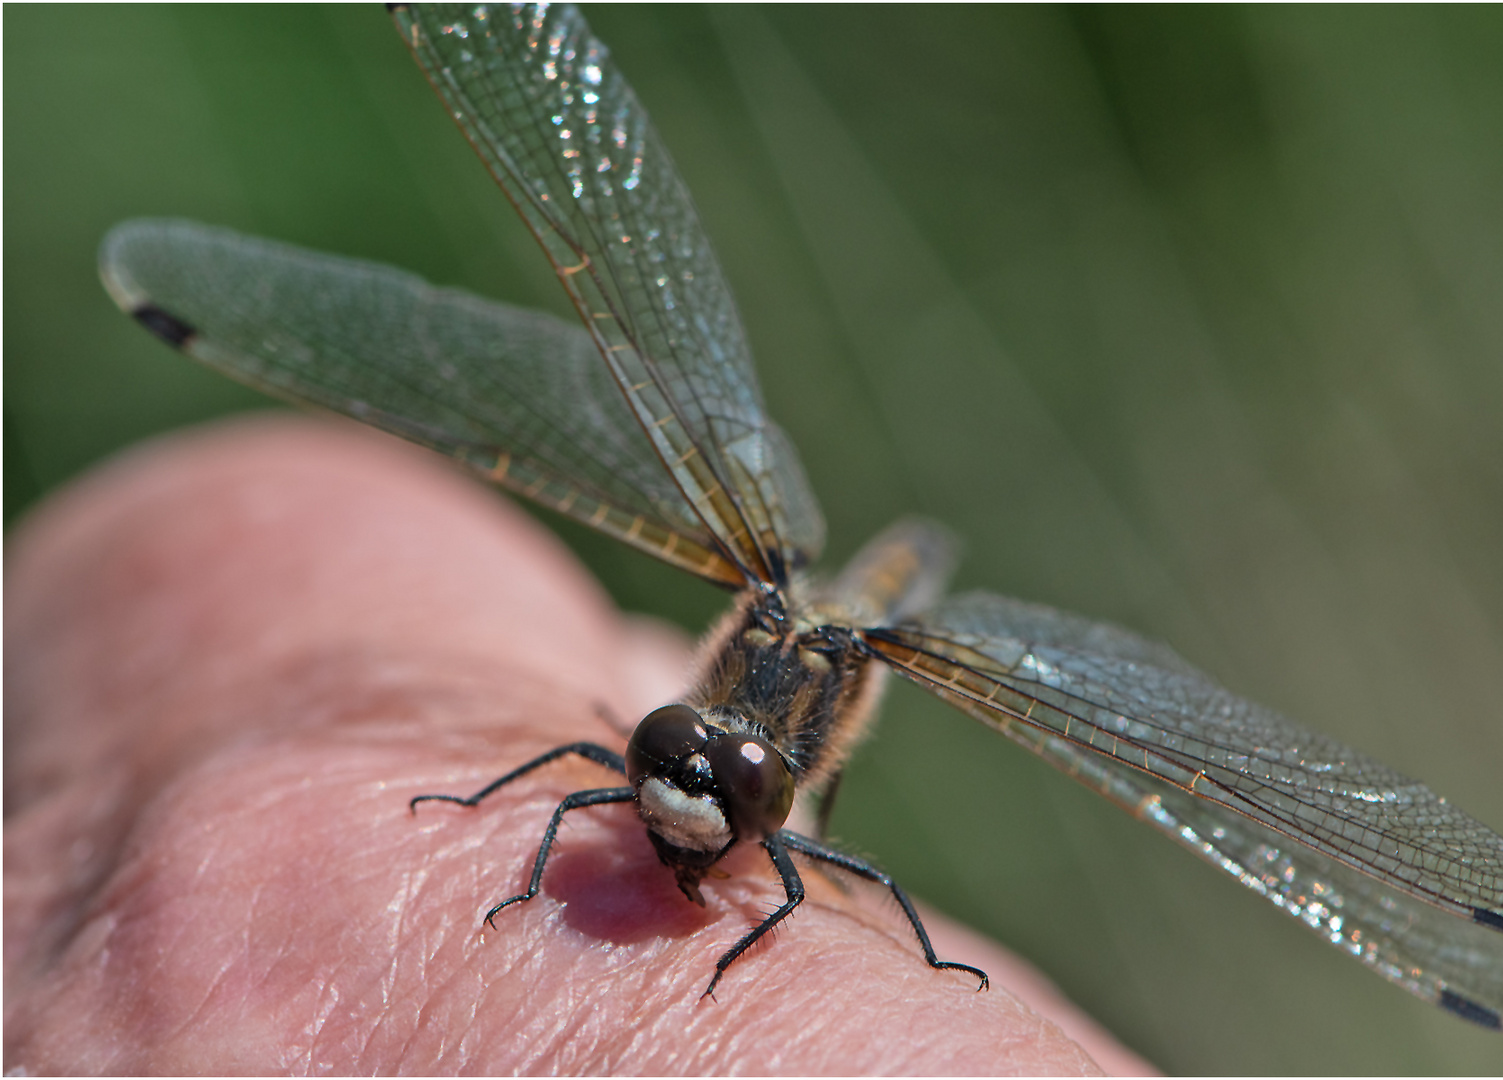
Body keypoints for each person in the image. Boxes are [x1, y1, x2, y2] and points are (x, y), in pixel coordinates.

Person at [5, 416, 1151, 1074]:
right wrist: (464, 815)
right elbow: (568, 785)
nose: (682, 799)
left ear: (779, 789)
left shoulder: (792, 790)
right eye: (669, 757)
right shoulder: (663, 763)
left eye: (739, 791)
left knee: (857, 886)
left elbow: (824, 881)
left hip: (875, 634)